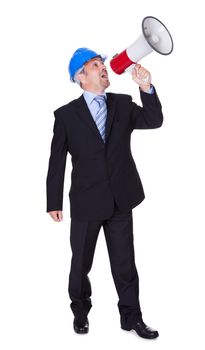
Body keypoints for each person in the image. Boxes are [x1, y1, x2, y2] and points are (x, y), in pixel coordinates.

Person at [46, 47, 163, 339]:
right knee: (81, 263)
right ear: (81, 77)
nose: (103, 68)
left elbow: (154, 120)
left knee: (125, 264)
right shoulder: (66, 116)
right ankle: (80, 312)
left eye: (102, 64)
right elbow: (57, 160)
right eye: (96, 65)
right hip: (86, 202)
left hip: (121, 199)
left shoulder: (122, 104)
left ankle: (131, 317)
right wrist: (53, 201)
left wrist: (146, 88)